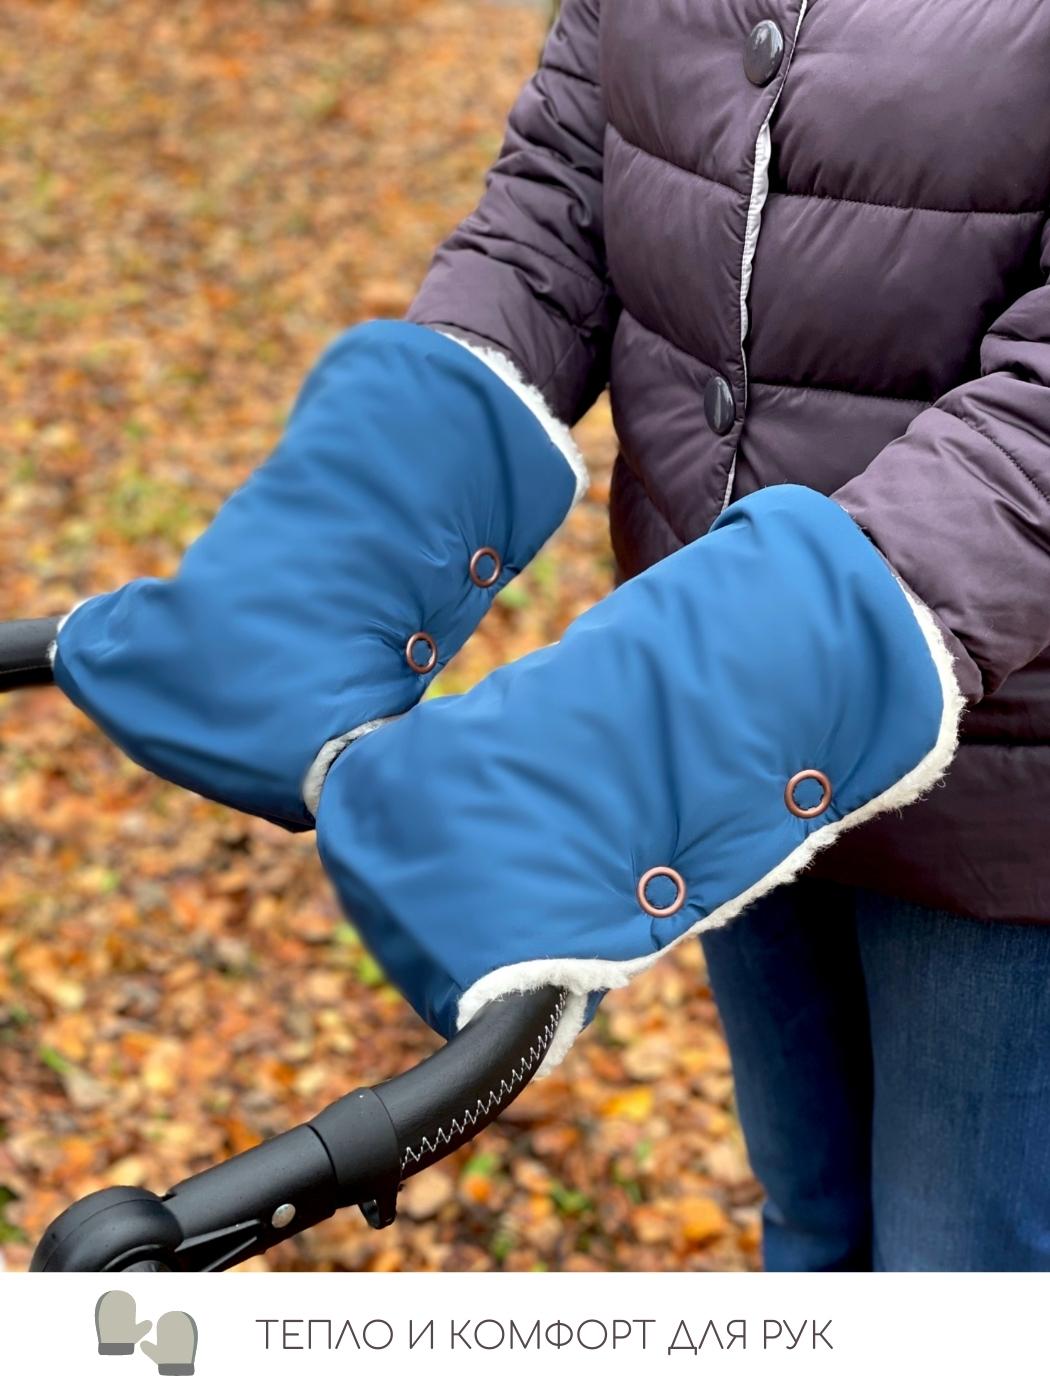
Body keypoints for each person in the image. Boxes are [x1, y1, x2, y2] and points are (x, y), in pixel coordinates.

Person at [52, 3, 1050, 1271]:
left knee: (968, 1264)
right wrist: (326, 557)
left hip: (995, 786)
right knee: (811, 1218)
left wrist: (659, 722)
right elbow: (560, 200)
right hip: (724, 738)